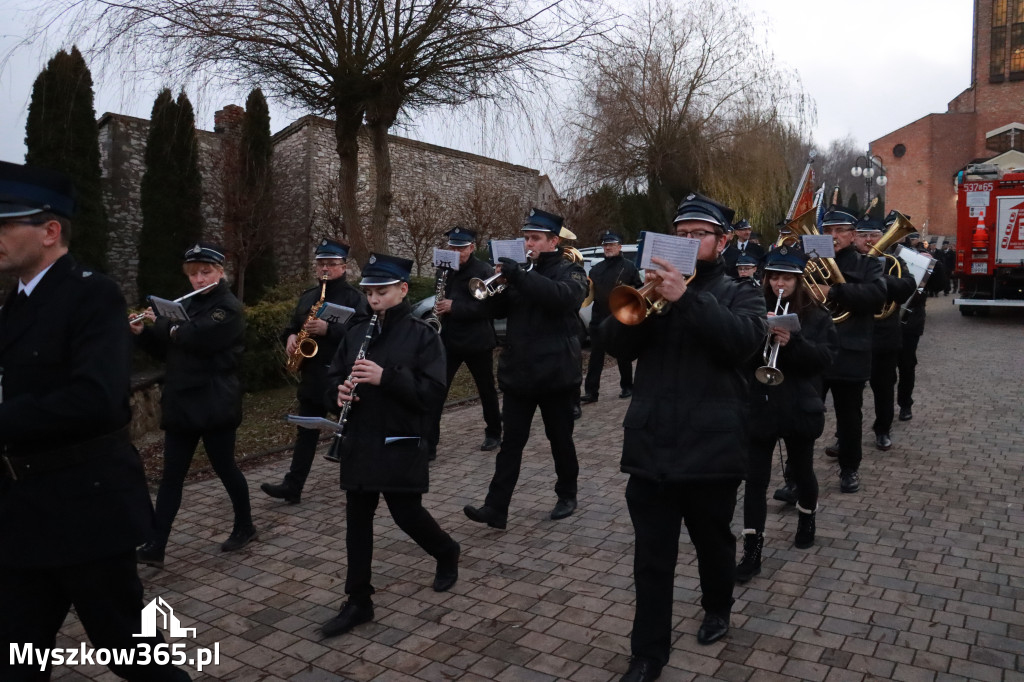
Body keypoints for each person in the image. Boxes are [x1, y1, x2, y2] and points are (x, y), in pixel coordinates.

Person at [0, 161, 190, 681]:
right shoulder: (14, 304)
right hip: (25, 514)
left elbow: (96, 399)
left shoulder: (91, 294)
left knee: (130, 652)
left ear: (50, 230)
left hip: (86, 509)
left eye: (4, 224)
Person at [602, 194, 767, 682]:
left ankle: (718, 606)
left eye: (701, 234)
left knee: (713, 542)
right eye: (683, 234)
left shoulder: (743, 291)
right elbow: (615, 344)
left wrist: (686, 299)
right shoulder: (649, 288)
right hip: (651, 442)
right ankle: (648, 653)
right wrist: (644, 303)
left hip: (712, 447)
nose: (691, 241)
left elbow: (742, 343)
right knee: (651, 556)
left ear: (721, 242)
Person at [320, 253, 460, 637]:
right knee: (357, 521)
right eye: (369, 292)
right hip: (361, 439)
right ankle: (358, 600)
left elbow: (432, 394)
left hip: (399, 437)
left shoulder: (422, 335)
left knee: (406, 513)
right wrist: (338, 392)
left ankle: (446, 551)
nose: (374, 299)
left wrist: (387, 377)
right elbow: (332, 376)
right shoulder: (355, 332)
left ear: (402, 290)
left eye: (381, 291)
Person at [463, 208, 589, 529]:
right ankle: (496, 507)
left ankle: (567, 493)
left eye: (535, 238)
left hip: (556, 373)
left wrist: (519, 275)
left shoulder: (569, 270)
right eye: (526, 237)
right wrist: (493, 290)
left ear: (552, 241)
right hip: (519, 373)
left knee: (559, 439)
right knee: (511, 444)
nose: (528, 243)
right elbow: (497, 310)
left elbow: (563, 298)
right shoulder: (521, 273)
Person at [132, 243, 255, 568]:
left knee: (224, 467)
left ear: (220, 271)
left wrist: (166, 326)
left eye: (206, 272)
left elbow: (194, 339)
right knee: (172, 476)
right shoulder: (184, 306)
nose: (199, 279)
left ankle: (245, 525)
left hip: (214, 401)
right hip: (183, 401)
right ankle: (156, 546)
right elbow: (172, 350)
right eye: (194, 274)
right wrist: (143, 332)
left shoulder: (227, 307)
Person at [736, 244, 838, 583]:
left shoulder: (816, 314)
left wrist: (793, 342)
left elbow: (824, 360)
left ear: (798, 280)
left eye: (787, 278)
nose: (780, 284)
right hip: (761, 403)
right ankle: (752, 550)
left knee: (803, 470)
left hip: (798, 404)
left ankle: (807, 516)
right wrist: (756, 337)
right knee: (755, 481)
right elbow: (738, 358)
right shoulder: (754, 309)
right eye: (774, 277)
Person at [261, 238, 369, 504]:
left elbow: (363, 334)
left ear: (344, 267)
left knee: (353, 430)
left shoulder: (355, 298)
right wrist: (289, 338)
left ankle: (363, 482)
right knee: (306, 432)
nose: (325, 269)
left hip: (339, 376)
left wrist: (329, 330)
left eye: (331, 264)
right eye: (321, 263)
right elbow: (292, 325)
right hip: (311, 375)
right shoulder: (308, 296)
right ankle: (292, 486)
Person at [818, 207, 885, 493]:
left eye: (839, 231)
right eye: (828, 231)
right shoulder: (813, 263)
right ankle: (795, 477)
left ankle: (849, 469)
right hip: (815, 349)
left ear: (852, 235)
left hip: (851, 350)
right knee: (804, 413)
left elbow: (876, 297)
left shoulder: (867, 265)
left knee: (849, 417)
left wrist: (833, 292)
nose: (833, 236)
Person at [429, 226, 502, 454]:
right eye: (452, 247)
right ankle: (430, 442)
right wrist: (440, 308)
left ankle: (493, 433)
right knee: (438, 390)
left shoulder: (483, 269)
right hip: (449, 340)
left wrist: (455, 307)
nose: (456, 251)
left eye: (461, 248)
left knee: (486, 389)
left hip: (476, 341)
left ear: (472, 247)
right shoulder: (444, 270)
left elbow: (490, 308)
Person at [854, 217, 915, 452]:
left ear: (882, 237)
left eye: (874, 235)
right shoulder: (847, 262)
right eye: (863, 235)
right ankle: (845, 434)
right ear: (855, 238)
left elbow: (907, 288)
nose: (868, 240)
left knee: (884, 387)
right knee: (850, 392)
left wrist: (877, 280)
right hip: (854, 334)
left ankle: (883, 430)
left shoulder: (894, 262)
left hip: (884, 336)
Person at [581, 230, 642, 405]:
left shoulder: (629, 266)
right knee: (596, 357)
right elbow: (589, 292)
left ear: (619, 246)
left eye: (611, 244)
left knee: (622, 354)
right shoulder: (596, 268)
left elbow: (637, 289)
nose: (608, 247)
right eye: (605, 245)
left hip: (619, 316)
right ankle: (591, 392)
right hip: (599, 317)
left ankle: (627, 386)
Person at [898, 249, 946, 422]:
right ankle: (885, 412)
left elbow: (939, 285)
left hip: (911, 320)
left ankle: (905, 404)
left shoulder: (915, 255)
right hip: (886, 322)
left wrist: (934, 264)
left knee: (907, 365)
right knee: (884, 371)